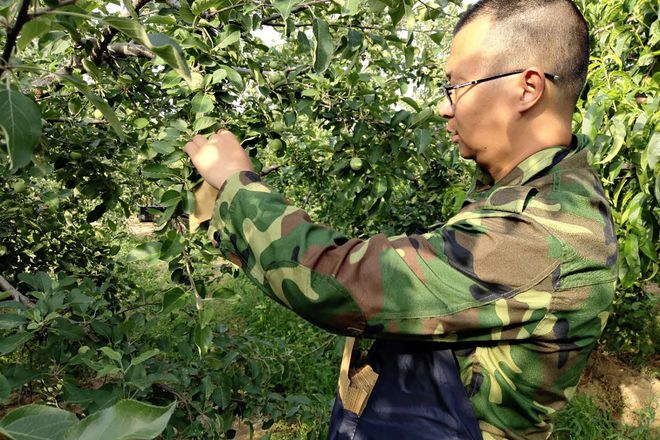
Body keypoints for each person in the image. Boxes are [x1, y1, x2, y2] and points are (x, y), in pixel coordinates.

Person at [183, 0, 618, 438]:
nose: (445, 108)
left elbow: (344, 285)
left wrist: (237, 184)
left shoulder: (542, 231)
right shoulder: (528, 194)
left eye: (457, 85)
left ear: (527, 89)